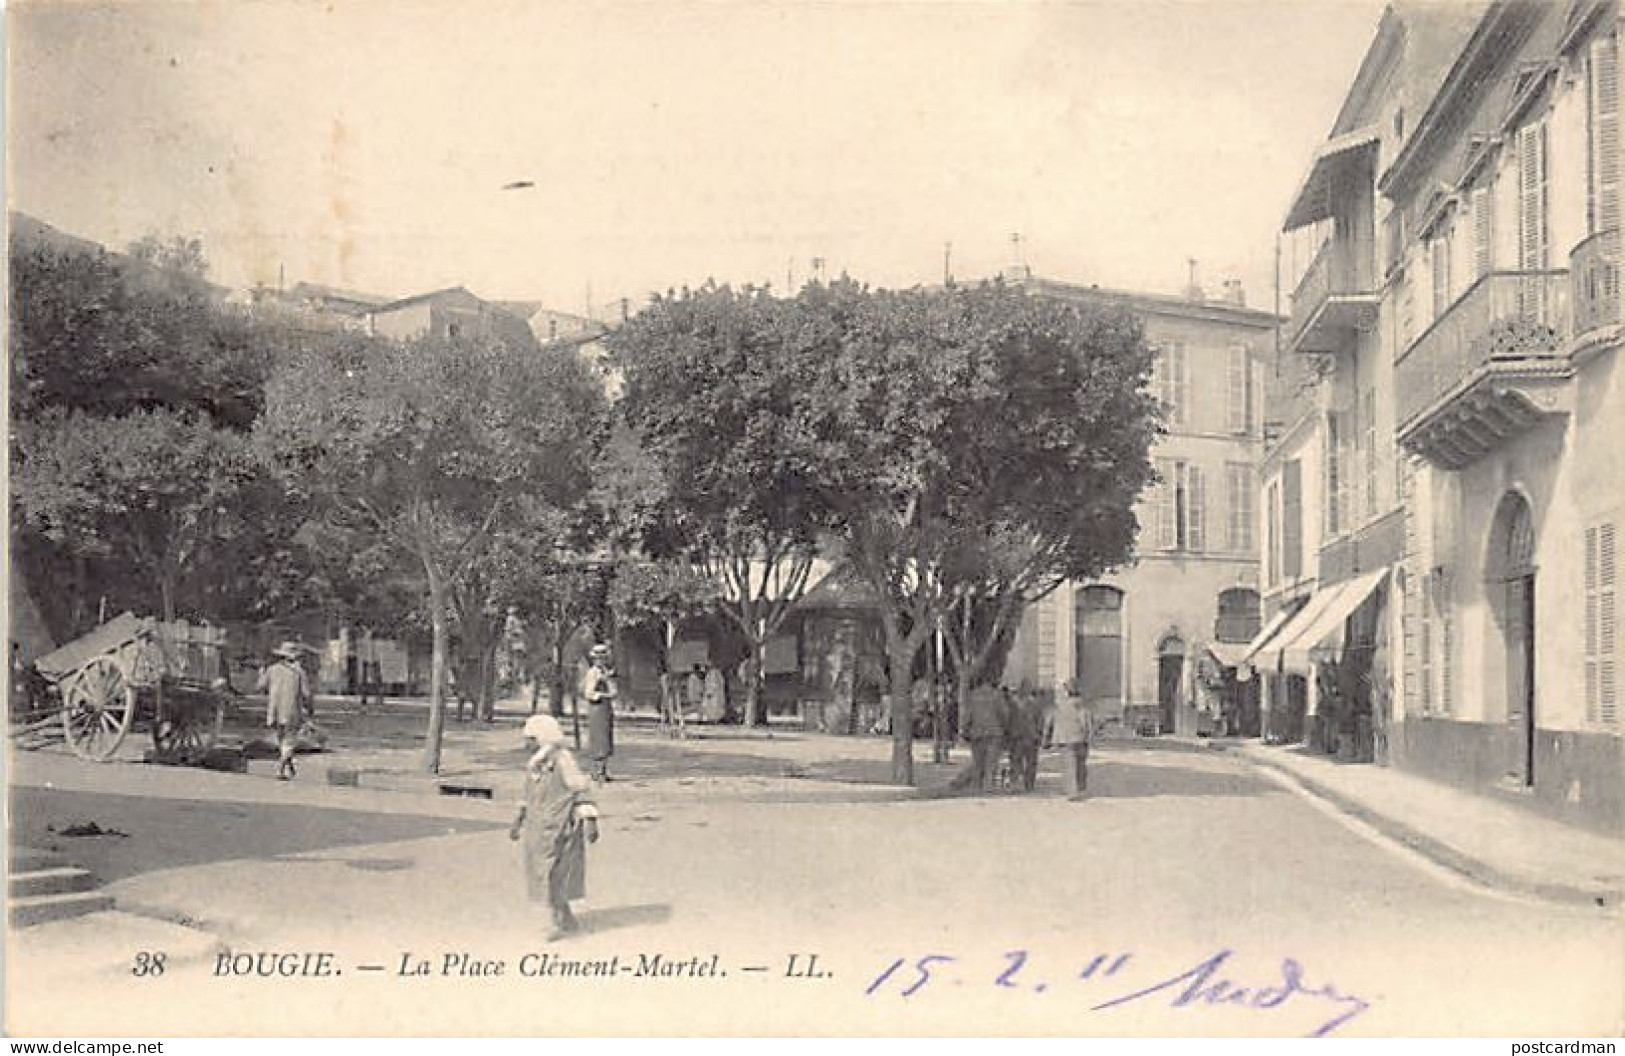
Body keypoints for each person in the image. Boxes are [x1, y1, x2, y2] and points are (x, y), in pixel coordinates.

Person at [509, 714, 600, 940]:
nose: (526, 744)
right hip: (539, 829)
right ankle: (565, 916)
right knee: (542, 873)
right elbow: (527, 795)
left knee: (556, 873)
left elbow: (580, 790)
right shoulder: (535, 765)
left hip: (562, 827)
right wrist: (518, 821)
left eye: (530, 739)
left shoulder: (563, 760)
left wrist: (590, 821)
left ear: (542, 738)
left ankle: (554, 920)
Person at [257, 642, 312, 781]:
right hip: (292, 710)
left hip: (274, 710)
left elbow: (259, 687)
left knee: (282, 739)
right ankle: (281, 767)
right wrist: (310, 708)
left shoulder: (271, 669)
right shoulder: (299, 672)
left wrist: (261, 673)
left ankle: (289, 766)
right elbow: (306, 694)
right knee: (289, 739)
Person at [951, 680, 1008, 793]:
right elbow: (1004, 713)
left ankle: (977, 787)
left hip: (977, 733)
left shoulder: (972, 696)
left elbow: (967, 715)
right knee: (991, 762)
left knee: (978, 762)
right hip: (994, 732)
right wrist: (1004, 727)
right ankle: (988, 786)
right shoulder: (997, 695)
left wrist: (964, 729)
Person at [1054, 679, 1097, 800]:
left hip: (1066, 740)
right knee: (1081, 765)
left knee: (1069, 766)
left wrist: (1055, 739)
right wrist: (1089, 736)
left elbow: (1057, 723)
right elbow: (1087, 723)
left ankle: (1072, 791)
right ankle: (1081, 788)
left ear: (1067, 692)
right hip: (1080, 739)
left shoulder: (1061, 706)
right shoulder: (1083, 706)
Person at [581, 643, 617, 782]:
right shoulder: (593, 673)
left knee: (606, 737)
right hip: (596, 707)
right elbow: (589, 693)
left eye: (604, 658)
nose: (601, 660)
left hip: (605, 707)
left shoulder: (605, 672)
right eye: (599, 658)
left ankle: (603, 770)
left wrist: (608, 681)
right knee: (598, 737)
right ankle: (597, 770)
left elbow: (614, 690)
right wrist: (602, 690)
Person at [1006, 684, 1042, 793]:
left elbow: (1008, 719)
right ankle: (1029, 784)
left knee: (1016, 760)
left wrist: (1008, 733)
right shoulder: (1035, 704)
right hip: (1031, 736)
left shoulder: (1012, 704)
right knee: (1031, 762)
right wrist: (1039, 733)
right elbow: (1040, 721)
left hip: (1017, 736)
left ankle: (1015, 783)